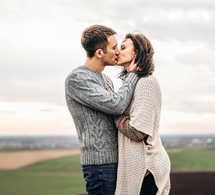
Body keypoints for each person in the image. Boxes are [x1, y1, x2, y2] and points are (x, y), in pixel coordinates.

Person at [65, 25, 139, 195]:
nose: (118, 52)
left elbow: (118, 105)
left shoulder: (106, 80)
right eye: (114, 48)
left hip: (116, 161)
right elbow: (117, 105)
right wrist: (134, 74)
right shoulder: (77, 79)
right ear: (99, 53)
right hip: (100, 166)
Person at [114, 33, 171, 195]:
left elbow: (136, 131)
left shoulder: (147, 82)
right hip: (138, 168)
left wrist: (114, 113)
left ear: (137, 53)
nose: (118, 51)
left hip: (147, 169)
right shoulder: (132, 83)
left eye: (123, 47)